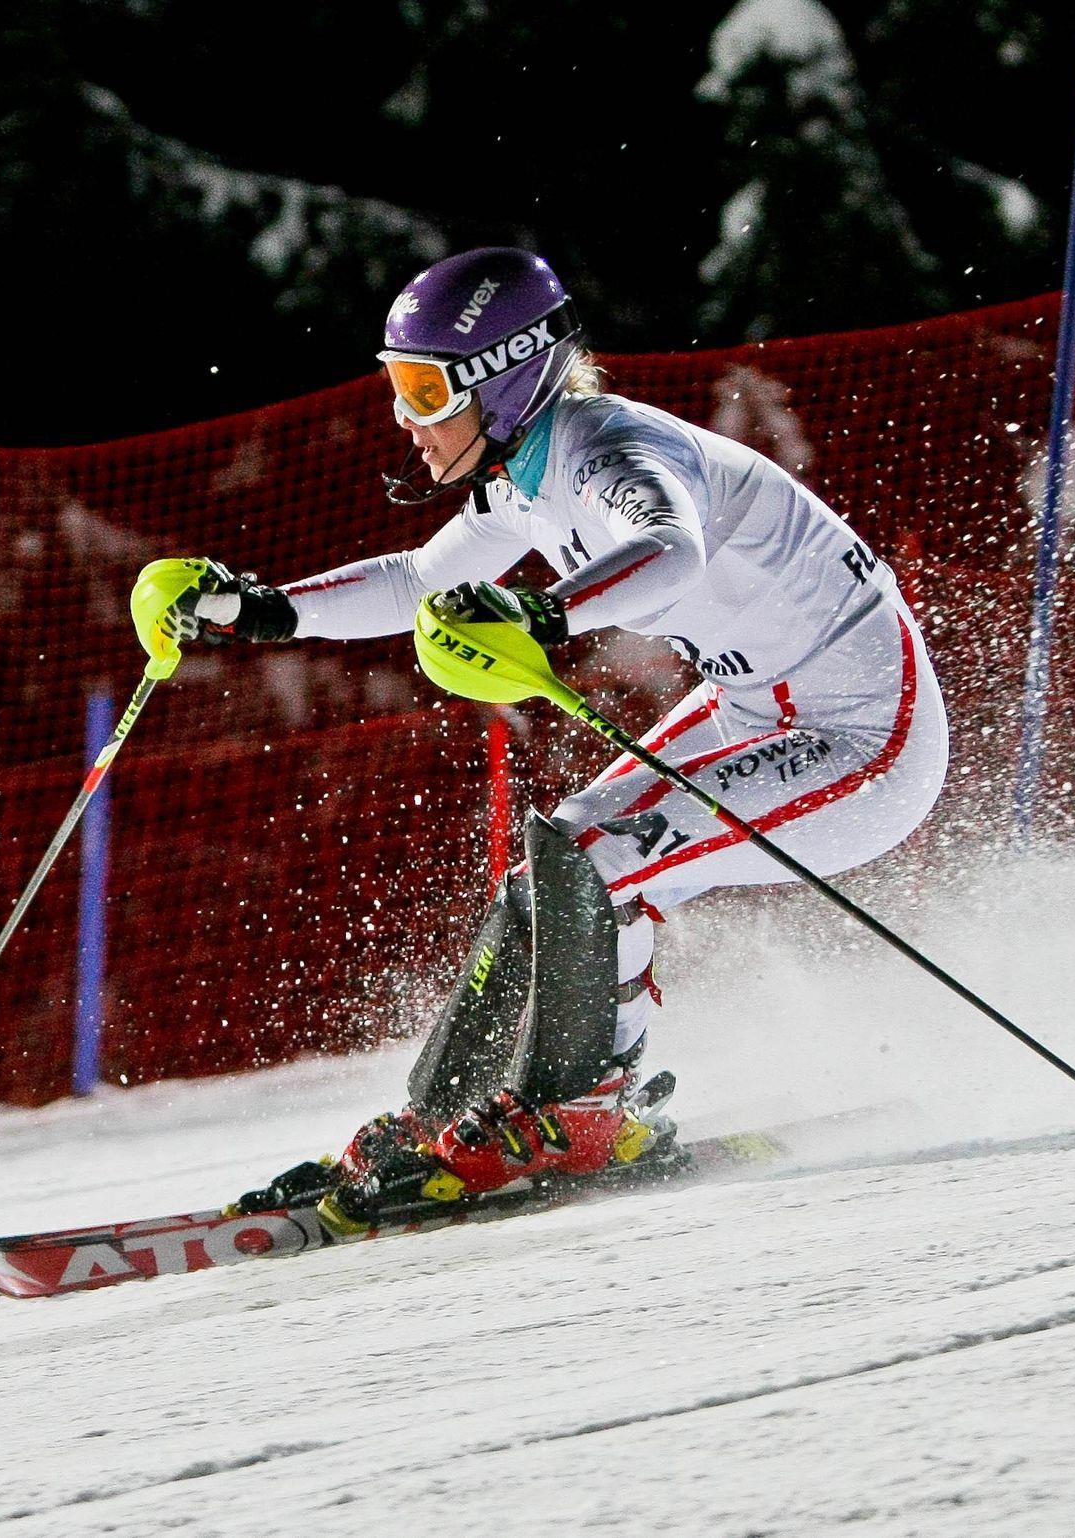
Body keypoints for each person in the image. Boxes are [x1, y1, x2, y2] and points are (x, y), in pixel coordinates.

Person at [141, 246, 949, 1231]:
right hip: (758, 707)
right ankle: (441, 1116)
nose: (403, 416)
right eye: (397, 385)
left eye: (424, 389)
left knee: (595, 857)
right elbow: (418, 579)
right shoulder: (524, 475)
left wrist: (543, 614)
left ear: (504, 378)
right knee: (552, 869)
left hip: (862, 737)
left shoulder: (607, 449)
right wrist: (260, 610)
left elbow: (670, 548)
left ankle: (582, 1112)